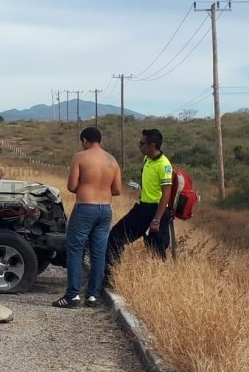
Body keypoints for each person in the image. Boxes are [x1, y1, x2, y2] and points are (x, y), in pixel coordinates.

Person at [53, 127, 122, 309]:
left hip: (85, 208)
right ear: (100, 140)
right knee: (98, 254)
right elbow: (117, 189)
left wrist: (87, 185)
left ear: (84, 140)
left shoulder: (80, 157)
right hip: (105, 209)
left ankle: (72, 296)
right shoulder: (112, 160)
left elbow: (72, 185)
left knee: (75, 251)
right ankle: (92, 296)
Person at [105, 128, 173, 280]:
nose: (139, 146)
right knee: (115, 237)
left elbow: (166, 194)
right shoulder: (147, 159)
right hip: (143, 209)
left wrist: (156, 219)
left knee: (156, 253)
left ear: (152, 145)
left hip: (157, 211)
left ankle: (157, 284)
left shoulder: (164, 165)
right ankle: (109, 276)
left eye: (142, 143)